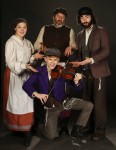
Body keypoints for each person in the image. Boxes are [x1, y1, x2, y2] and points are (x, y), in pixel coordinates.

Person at [22, 48, 93, 142]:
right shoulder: (39, 72)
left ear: (58, 60)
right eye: (50, 59)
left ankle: (77, 129)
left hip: (64, 102)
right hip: (51, 107)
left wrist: (76, 82)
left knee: (89, 105)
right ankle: (39, 125)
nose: (52, 62)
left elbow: (77, 88)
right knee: (51, 136)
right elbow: (26, 85)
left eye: (55, 60)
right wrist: (37, 94)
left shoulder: (62, 71)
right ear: (46, 59)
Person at [33, 7, 78, 134]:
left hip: (61, 65)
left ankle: (63, 124)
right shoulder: (45, 28)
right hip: (46, 64)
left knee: (64, 94)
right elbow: (36, 44)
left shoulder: (70, 30)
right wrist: (41, 46)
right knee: (42, 91)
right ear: (53, 17)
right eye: (58, 16)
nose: (60, 19)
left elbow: (74, 46)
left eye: (63, 17)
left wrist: (71, 47)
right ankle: (40, 121)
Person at [70, 7, 111, 140]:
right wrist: (76, 67)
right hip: (85, 74)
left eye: (87, 17)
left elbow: (106, 51)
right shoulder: (80, 34)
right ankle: (88, 127)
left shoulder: (101, 31)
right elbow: (79, 55)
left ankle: (100, 131)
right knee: (87, 102)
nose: (85, 20)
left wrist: (92, 59)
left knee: (99, 104)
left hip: (98, 72)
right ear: (79, 20)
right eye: (82, 18)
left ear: (92, 17)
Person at [3, 18, 44, 147]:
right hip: (15, 76)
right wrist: (24, 66)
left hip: (27, 75)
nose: (22, 29)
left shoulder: (28, 43)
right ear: (15, 28)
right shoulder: (10, 42)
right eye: (19, 27)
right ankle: (18, 128)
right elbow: (10, 62)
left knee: (27, 101)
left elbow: (30, 61)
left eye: (24, 27)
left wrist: (34, 57)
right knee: (16, 102)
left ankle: (27, 131)